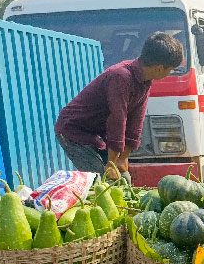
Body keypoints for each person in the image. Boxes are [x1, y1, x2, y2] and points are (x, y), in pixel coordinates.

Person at [55, 32, 183, 182]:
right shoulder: (121, 76)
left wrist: (123, 158)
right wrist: (111, 162)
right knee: (103, 182)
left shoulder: (145, 81)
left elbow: (136, 122)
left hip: (95, 136)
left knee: (124, 179)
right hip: (73, 131)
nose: (170, 73)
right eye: (171, 70)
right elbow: (117, 120)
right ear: (160, 68)